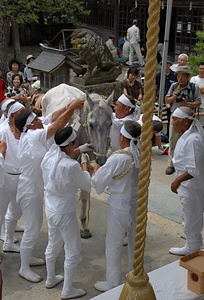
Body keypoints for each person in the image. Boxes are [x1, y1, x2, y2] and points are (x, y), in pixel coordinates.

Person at [14, 98, 88, 283]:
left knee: (38, 227)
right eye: (36, 119)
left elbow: (53, 117)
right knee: (32, 227)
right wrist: (73, 106)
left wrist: (70, 105)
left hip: (36, 187)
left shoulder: (34, 130)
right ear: (30, 125)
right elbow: (58, 124)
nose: (40, 119)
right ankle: (24, 267)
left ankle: (28, 257)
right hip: (30, 187)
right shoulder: (33, 135)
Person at [41, 126, 91, 299]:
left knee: (53, 243)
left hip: (51, 207)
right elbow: (86, 183)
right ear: (70, 144)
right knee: (72, 249)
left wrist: (78, 149)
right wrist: (85, 162)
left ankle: (50, 278)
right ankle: (68, 290)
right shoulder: (71, 166)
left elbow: (63, 151)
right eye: (74, 143)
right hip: (65, 211)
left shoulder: (49, 156)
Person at [92, 120, 141, 292]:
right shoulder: (140, 153)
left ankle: (113, 282)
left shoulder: (118, 158)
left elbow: (98, 183)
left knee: (113, 245)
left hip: (119, 204)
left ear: (122, 137)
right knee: (135, 243)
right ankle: (135, 274)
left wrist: (97, 169)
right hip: (137, 203)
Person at [169, 107, 204, 256]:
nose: (172, 123)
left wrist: (176, 181)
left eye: (175, 119)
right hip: (187, 186)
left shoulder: (193, 139)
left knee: (191, 215)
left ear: (185, 121)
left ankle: (193, 247)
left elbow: (193, 169)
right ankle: (193, 242)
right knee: (188, 213)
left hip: (191, 186)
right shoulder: (186, 136)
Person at [165, 65, 201, 175]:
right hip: (176, 117)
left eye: (182, 76)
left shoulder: (194, 87)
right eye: (178, 76)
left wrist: (187, 103)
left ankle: (185, 163)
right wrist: (175, 96)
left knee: (188, 140)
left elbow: (198, 103)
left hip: (188, 118)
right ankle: (171, 163)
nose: (180, 78)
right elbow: (167, 100)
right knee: (173, 140)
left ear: (188, 77)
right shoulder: (174, 86)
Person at [0, 101, 25, 258]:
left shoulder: (23, 131)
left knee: (16, 210)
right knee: (0, 212)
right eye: (21, 112)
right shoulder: (3, 131)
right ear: (13, 115)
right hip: (6, 178)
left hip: (20, 177)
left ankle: (8, 242)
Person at [156, 56, 177, 137]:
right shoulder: (158, 75)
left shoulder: (174, 75)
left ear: (170, 65)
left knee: (170, 117)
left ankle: (169, 134)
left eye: (167, 64)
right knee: (160, 117)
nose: (165, 65)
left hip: (171, 99)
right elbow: (156, 86)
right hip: (161, 99)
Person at [190, 62, 204, 126]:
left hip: (203, 105)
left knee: (201, 125)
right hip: (194, 104)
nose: (201, 70)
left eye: (203, 69)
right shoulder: (193, 79)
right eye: (200, 68)